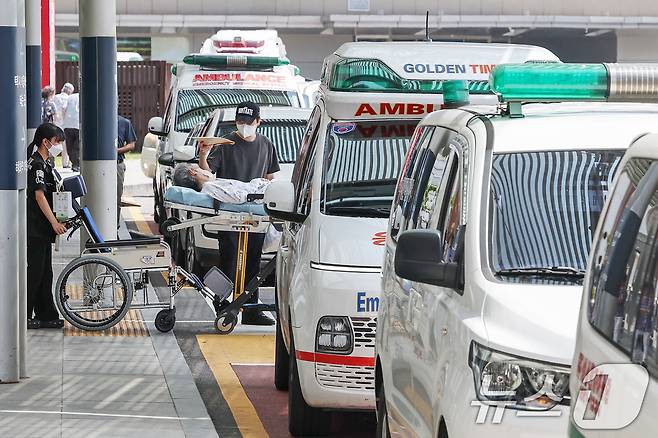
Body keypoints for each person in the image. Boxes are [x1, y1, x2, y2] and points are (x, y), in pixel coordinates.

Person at [198, 101, 280, 326]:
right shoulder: (225, 143)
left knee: (254, 261)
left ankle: (251, 309)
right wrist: (203, 155)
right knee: (230, 259)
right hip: (229, 212)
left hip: (255, 213)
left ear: (258, 122)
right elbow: (207, 174)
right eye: (240, 122)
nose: (244, 126)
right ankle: (222, 304)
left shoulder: (266, 144)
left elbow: (270, 176)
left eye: (248, 122)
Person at [26, 123, 68, 329]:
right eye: (57, 142)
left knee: (45, 272)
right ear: (45, 142)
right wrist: (54, 222)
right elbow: (39, 195)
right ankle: (25, 314)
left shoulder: (46, 162)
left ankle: (45, 313)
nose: (59, 146)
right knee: (35, 272)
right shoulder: (36, 165)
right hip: (36, 227)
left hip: (42, 228)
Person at [173, 162, 270, 203]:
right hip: (266, 194)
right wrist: (257, 183)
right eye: (200, 168)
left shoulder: (214, 184)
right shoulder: (209, 187)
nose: (205, 170)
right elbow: (239, 197)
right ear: (193, 172)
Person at [117, 115, 137, 225]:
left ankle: (115, 224)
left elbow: (131, 145)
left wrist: (117, 151)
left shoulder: (124, 122)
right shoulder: (97, 120)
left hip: (117, 164)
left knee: (117, 196)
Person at [53, 83, 74, 168]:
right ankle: (65, 163)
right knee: (65, 144)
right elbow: (64, 110)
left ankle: (51, 160)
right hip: (65, 124)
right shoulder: (68, 98)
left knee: (54, 142)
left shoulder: (56, 97)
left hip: (55, 123)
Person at [62, 92, 80, 172]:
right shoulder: (83, 96)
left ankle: (75, 164)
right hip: (78, 124)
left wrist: (64, 119)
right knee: (77, 146)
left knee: (69, 146)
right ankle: (76, 164)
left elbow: (63, 108)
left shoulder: (69, 97)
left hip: (67, 124)